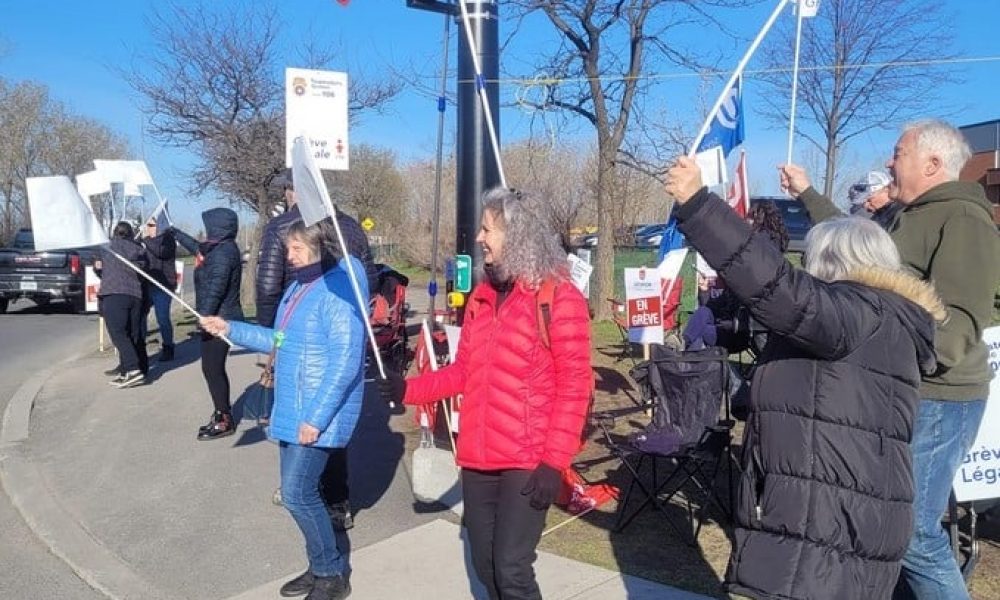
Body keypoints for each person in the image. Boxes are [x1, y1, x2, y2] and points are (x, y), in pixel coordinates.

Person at [666, 156, 945, 600]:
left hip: (825, 529)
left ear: (832, 265)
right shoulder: (884, 322)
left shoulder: (854, 313)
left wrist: (699, 205)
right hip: (847, 520)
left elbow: (780, 290)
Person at [779, 119, 1000, 599]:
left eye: (898, 153)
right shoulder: (907, 215)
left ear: (934, 164)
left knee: (915, 534)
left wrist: (890, 350)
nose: (888, 162)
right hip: (905, 392)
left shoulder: (962, 220)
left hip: (941, 399)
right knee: (889, 527)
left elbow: (958, 326)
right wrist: (807, 193)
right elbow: (851, 246)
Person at [381, 187, 593, 600]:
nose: (479, 239)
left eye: (487, 230)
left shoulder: (558, 296)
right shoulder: (480, 296)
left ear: (518, 237)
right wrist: (407, 388)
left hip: (529, 461)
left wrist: (554, 462)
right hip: (479, 455)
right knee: (484, 563)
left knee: (511, 569)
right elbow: (463, 372)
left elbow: (575, 386)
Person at [201, 219, 366, 600]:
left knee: (297, 493)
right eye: (288, 248)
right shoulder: (298, 289)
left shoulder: (339, 291)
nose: (288, 257)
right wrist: (229, 328)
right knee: (301, 494)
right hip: (292, 405)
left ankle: (331, 575)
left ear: (319, 247)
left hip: (315, 412)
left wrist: (316, 419)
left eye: (295, 249)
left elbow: (345, 361)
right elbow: (280, 341)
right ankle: (319, 566)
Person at [258, 168, 376, 530]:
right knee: (332, 418)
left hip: (302, 329)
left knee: (303, 415)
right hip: (342, 326)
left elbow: (267, 284)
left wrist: (272, 338)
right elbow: (369, 276)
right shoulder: (351, 226)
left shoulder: (283, 227)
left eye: (287, 190)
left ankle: (301, 490)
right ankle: (338, 502)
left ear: (295, 191)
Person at [170, 208, 244, 440]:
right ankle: (221, 412)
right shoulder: (217, 248)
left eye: (208, 225)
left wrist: (204, 316)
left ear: (217, 227)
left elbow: (217, 287)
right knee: (211, 368)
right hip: (213, 317)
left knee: (212, 368)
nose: (205, 232)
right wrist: (174, 232)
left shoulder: (224, 253)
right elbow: (196, 246)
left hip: (219, 320)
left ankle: (224, 419)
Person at [682, 200, 788, 351]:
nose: (746, 222)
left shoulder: (758, 256)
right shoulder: (750, 260)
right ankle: (684, 350)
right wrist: (705, 290)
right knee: (703, 313)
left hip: (742, 327)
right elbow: (719, 303)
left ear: (759, 219)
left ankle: (685, 360)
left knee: (700, 332)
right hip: (731, 317)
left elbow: (739, 308)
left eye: (750, 217)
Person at [96, 221, 149, 388]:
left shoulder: (107, 248)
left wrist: (97, 267)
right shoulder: (138, 249)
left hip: (114, 293)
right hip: (135, 294)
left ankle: (133, 369)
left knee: (118, 333)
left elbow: (101, 271)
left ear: (115, 233)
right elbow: (143, 270)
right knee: (132, 333)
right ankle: (128, 370)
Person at [140, 218, 177, 362]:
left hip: (163, 285)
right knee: (141, 315)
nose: (148, 228)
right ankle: (140, 346)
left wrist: (146, 240)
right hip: (147, 284)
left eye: (151, 225)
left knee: (162, 318)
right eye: (147, 225)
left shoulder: (167, 239)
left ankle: (168, 347)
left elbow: (161, 252)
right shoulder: (145, 242)